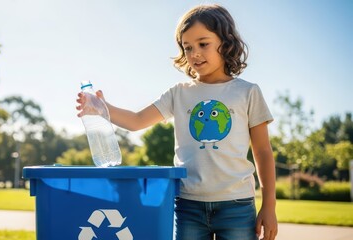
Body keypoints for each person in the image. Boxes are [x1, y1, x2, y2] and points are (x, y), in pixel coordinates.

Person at [76, 4, 277, 240]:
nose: (195, 54)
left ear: (226, 42)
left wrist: (269, 206)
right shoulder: (178, 93)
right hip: (188, 205)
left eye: (203, 44)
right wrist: (102, 108)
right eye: (187, 47)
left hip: (237, 206)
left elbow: (262, 151)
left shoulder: (248, 92)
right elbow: (137, 120)